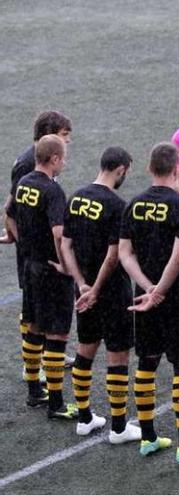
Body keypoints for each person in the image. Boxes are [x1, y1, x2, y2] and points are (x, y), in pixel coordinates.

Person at [118, 142, 179, 462]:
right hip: (177, 296)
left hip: (142, 297)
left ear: (149, 169)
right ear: (177, 169)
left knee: (147, 361)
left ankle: (148, 437)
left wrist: (147, 287)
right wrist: (161, 290)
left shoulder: (134, 204)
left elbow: (124, 254)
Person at [59, 146, 141, 442]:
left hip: (82, 291)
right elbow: (113, 255)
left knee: (85, 348)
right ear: (120, 169)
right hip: (111, 291)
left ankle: (84, 417)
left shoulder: (76, 196)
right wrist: (96, 289)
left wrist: (81, 283)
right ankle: (119, 427)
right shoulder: (117, 205)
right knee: (117, 356)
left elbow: (65, 245)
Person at [7, 135, 76, 419]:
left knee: (34, 326)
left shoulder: (24, 183)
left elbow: (8, 213)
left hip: (30, 266)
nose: (65, 162)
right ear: (55, 159)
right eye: (64, 157)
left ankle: (35, 391)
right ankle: (57, 403)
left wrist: (20, 241)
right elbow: (59, 233)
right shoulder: (52, 190)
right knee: (57, 333)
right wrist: (65, 265)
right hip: (50, 270)